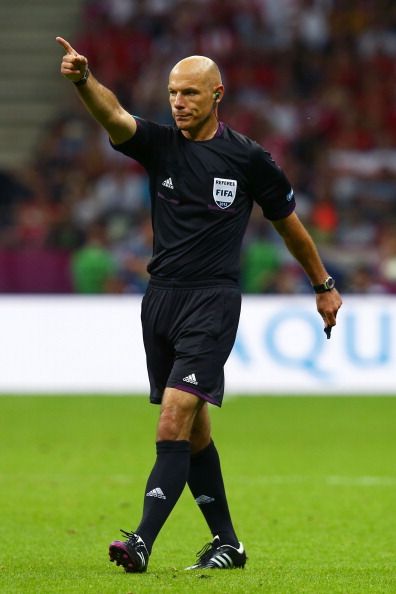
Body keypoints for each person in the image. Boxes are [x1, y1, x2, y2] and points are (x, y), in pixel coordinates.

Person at [56, 36, 342, 573]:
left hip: (212, 302)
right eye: (171, 92)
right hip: (160, 300)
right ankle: (228, 543)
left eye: (189, 92)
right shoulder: (160, 145)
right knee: (194, 431)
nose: (178, 101)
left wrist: (322, 284)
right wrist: (81, 80)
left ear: (217, 95)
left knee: (172, 422)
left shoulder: (249, 159)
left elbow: (291, 228)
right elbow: (114, 115)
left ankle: (140, 541)